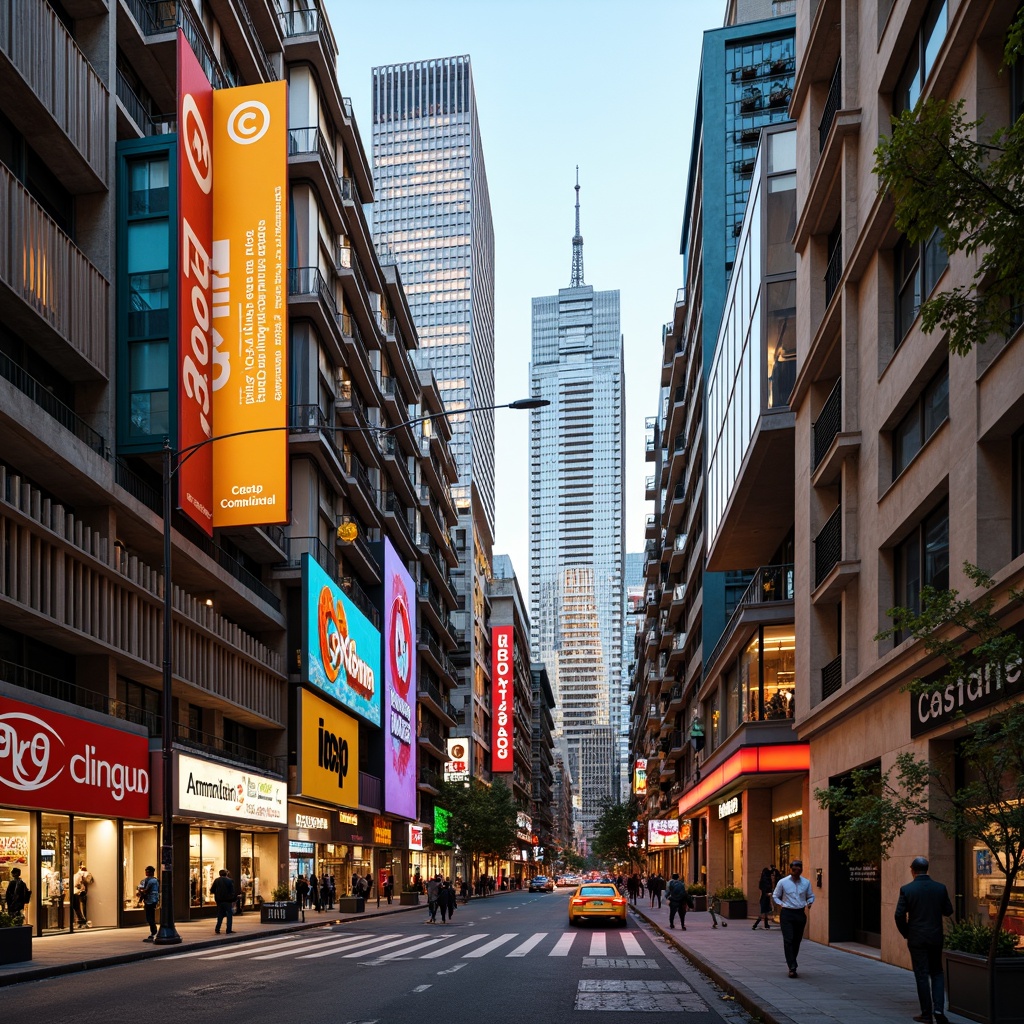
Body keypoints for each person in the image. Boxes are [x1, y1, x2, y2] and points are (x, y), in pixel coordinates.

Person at [894, 856, 954, 1024]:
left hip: (917, 938)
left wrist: (907, 932)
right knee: (937, 972)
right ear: (926, 869)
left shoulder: (907, 889)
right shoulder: (940, 888)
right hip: (935, 936)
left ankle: (926, 1013)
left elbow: (899, 915)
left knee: (921, 974)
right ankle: (938, 1009)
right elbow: (948, 911)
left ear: (913, 871)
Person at [772, 859, 814, 977]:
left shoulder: (806, 883)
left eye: (799, 870)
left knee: (797, 940)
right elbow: (775, 895)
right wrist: (781, 904)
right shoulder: (783, 882)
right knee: (788, 939)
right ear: (790, 870)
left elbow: (810, 895)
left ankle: (792, 961)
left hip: (800, 913)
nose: (797, 872)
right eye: (795, 869)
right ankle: (792, 966)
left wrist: (809, 902)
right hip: (787, 913)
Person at [137, 865, 159, 941]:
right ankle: (153, 932)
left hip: (150, 901)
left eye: (148, 871)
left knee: (150, 917)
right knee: (150, 917)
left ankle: (154, 932)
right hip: (151, 900)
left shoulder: (152, 881)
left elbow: (145, 890)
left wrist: (141, 891)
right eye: (146, 871)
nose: (146, 873)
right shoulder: (151, 880)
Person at [210, 868, 235, 934]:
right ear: (226, 874)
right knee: (229, 915)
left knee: (220, 915)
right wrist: (233, 899)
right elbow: (232, 891)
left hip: (219, 900)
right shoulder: (230, 881)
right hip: (227, 900)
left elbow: (212, 890)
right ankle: (228, 929)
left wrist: (217, 893)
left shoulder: (216, 880)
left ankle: (217, 928)